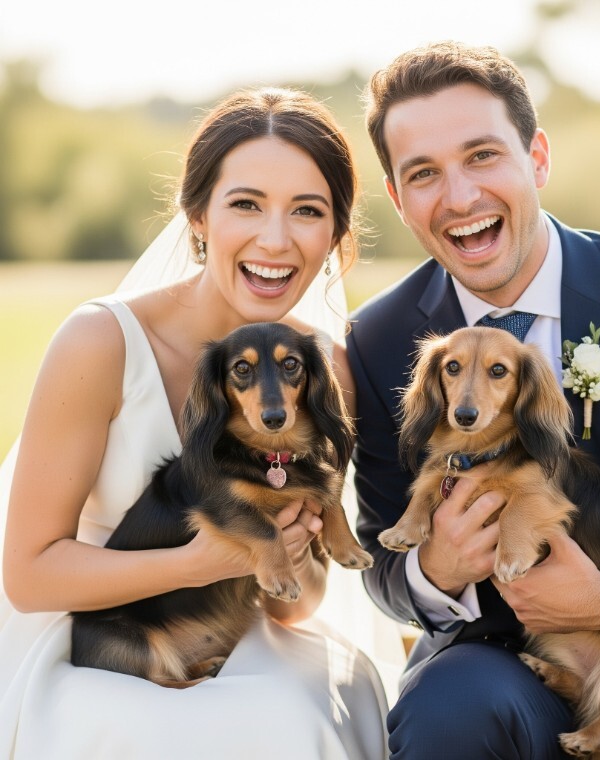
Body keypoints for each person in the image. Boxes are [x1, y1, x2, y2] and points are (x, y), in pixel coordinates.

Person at [347, 40, 600, 758]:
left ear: (537, 157)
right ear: (399, 199)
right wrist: (434, 569)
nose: (460, 197)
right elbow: (380, 561)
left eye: (482, 156)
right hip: (494, 657)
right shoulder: (377, 340)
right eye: (424, 174)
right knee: (442, 716)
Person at [0, 86, 391, 760]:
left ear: (335, 235)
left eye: (307, 210)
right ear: (197, 215)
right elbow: (31, 576)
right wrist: (197, 562)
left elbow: (297, 605)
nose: (275, 238)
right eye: (246, 204)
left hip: (235, 630)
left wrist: (294, 551)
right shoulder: (102, 342)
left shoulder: (321, 368)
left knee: (308, 708)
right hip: (95, 636)